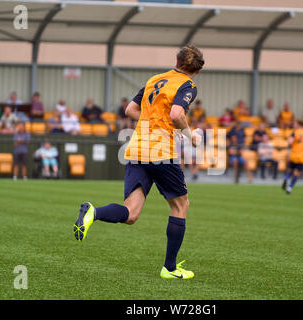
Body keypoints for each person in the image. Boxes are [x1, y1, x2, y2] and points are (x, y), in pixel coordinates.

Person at [72, 45, 204, 280]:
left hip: (137, 148)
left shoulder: (155, 79)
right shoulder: (188, 85)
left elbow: (130, 109)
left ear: (177, 60)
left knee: (131, 214)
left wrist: (154, 121)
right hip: (161, 151)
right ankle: (170, 269)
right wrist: (190, 134)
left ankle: (94, 212)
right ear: (197, 69)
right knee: (180, 206)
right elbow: (176, 114)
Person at [282, 120, 303, 194]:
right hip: (302, 157)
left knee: (290, 170)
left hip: (294, 155)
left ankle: (286, 178)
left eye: (295, 124)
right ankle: (289, 188)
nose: (294, 126)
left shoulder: (295, 132)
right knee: (297, 173)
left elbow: (289, 142)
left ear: (298, 125)